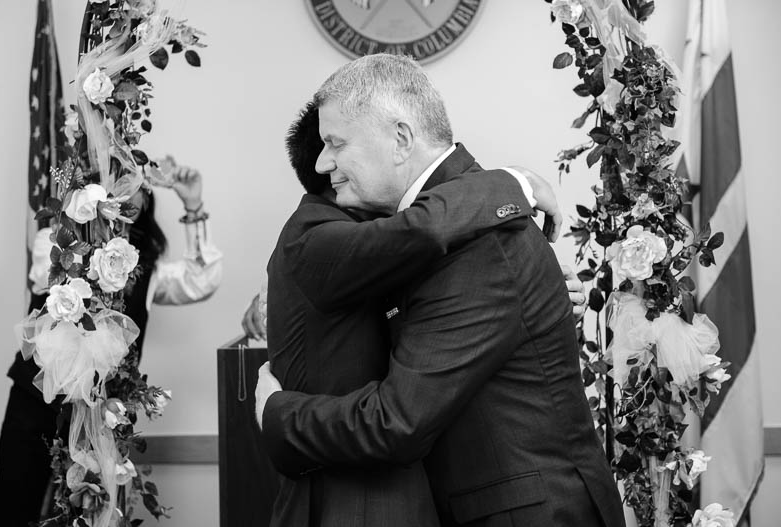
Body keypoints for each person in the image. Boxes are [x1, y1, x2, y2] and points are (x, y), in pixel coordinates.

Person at [256, 54, 625, 527]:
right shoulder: (454, 225)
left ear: (401, 139)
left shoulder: (478, 244)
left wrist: (277, 414)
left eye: (336, 143)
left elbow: (399, 420)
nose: (322, 161)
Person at [0, 164, 222, 527]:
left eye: (137, 185)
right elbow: (41, 274)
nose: (128, 192)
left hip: (101, 416)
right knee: (14, 506)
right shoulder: (54, 241)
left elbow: (201, 280)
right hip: (33, 404)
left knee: (88, 515)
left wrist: (193, 207)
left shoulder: (149, 269)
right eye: (117, 181)